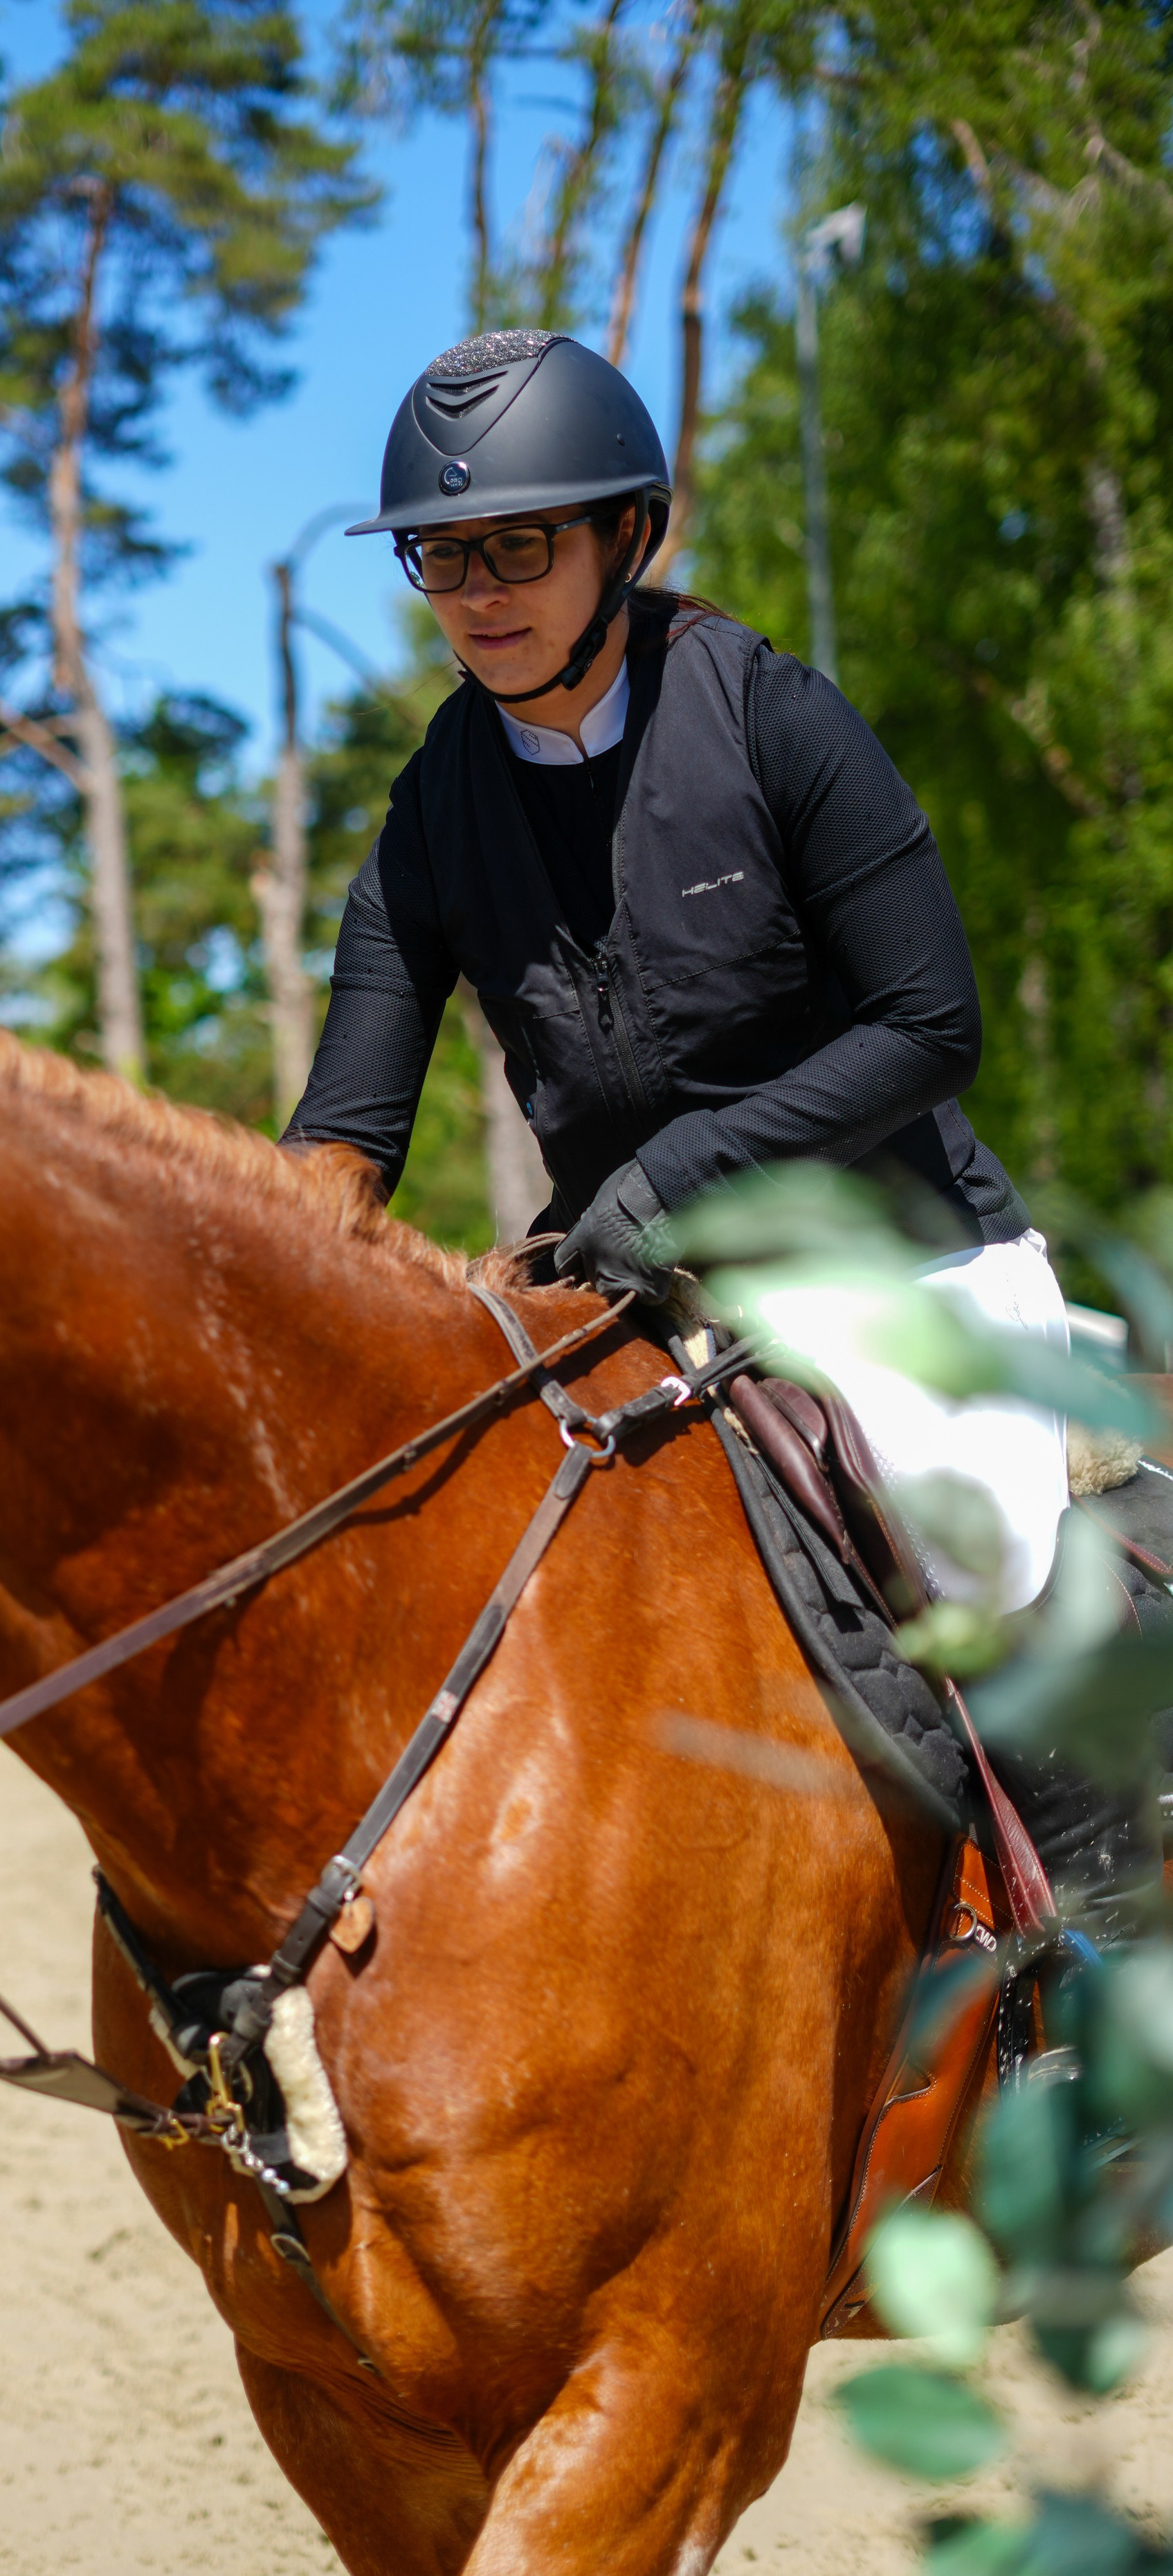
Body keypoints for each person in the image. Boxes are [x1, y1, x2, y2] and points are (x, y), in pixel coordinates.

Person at [284, 326, 1159, 1942]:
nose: (475, 591)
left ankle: (1096, 1962)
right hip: (639, 1292)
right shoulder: (431, 809)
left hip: (902, 1264)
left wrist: (678, 1174)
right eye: (439, 555)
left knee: (965, 1531)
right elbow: (339, 1138)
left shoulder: (770, 717)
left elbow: (928, 1023)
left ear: (629, 533)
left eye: (516, 545)